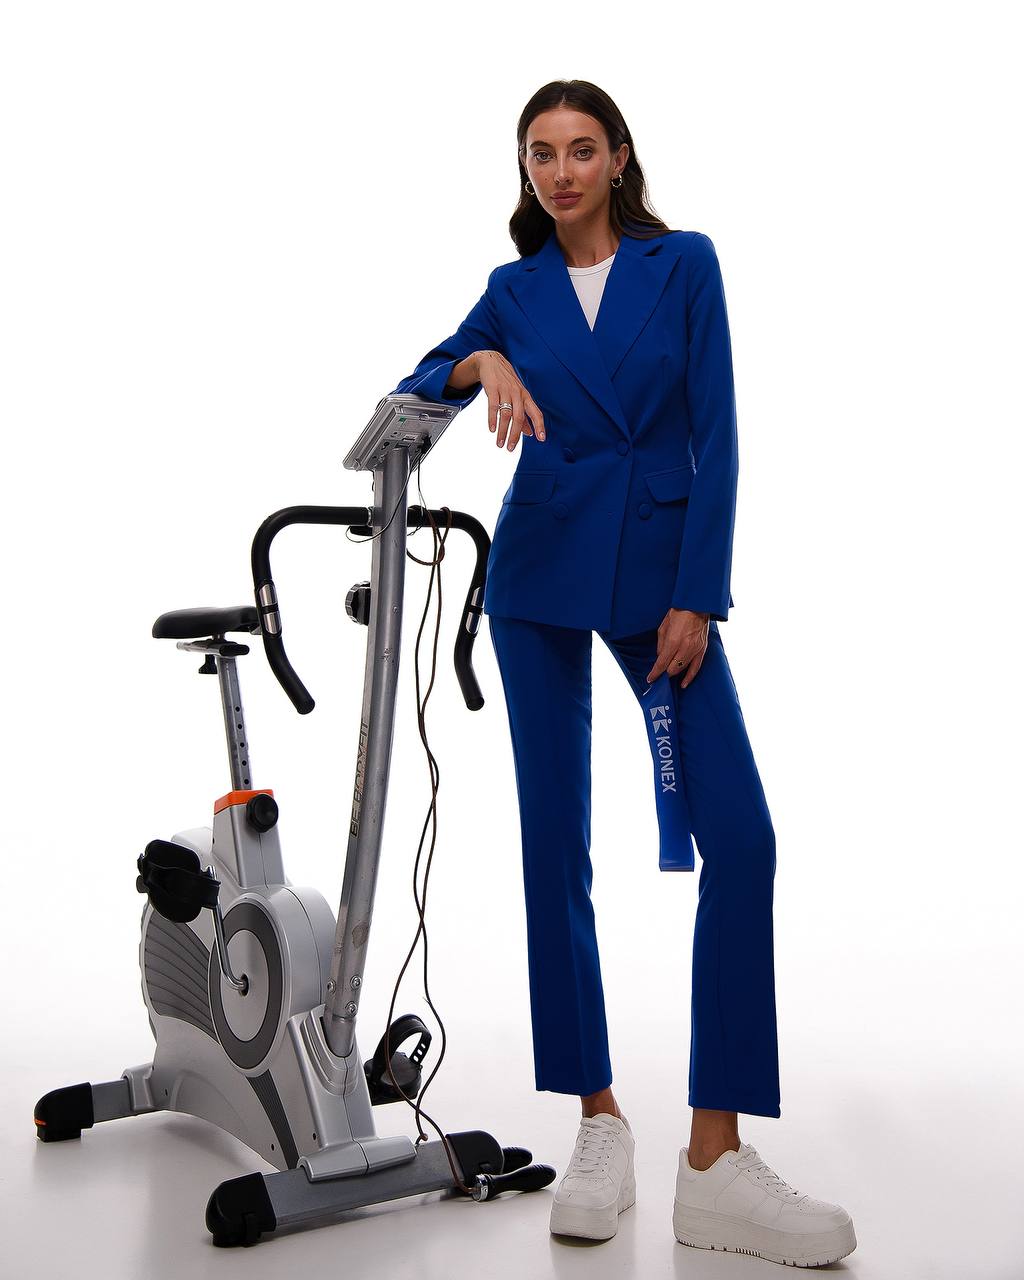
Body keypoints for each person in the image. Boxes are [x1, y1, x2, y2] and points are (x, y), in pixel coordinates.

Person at [388, 79, 856, 1268]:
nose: (559, 171)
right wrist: (483, 358)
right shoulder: (515, 288)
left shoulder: (682, 263)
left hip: (659, 577)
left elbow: (720, 427)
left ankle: (713, 1156)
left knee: (738, 840)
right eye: (539, 153)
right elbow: (420, 375)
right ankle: (597, 1119)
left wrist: (697, 589)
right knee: (557, 847)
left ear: (618, 157)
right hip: (538, 571)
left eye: (580, 149)